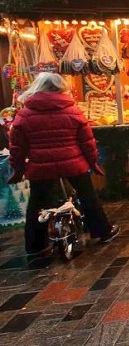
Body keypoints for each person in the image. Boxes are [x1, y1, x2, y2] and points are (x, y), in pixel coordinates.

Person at [7, 72, 118, 255]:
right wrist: (93, 163)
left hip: (40, 166)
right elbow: (87, 142)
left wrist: (18, 170)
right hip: (73, 164)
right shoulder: (73, 110)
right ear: (60, 88)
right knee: (87, 195)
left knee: (36, 204)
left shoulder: (24, 114)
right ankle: (102, 232)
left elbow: (17, 147)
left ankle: (35, 246)